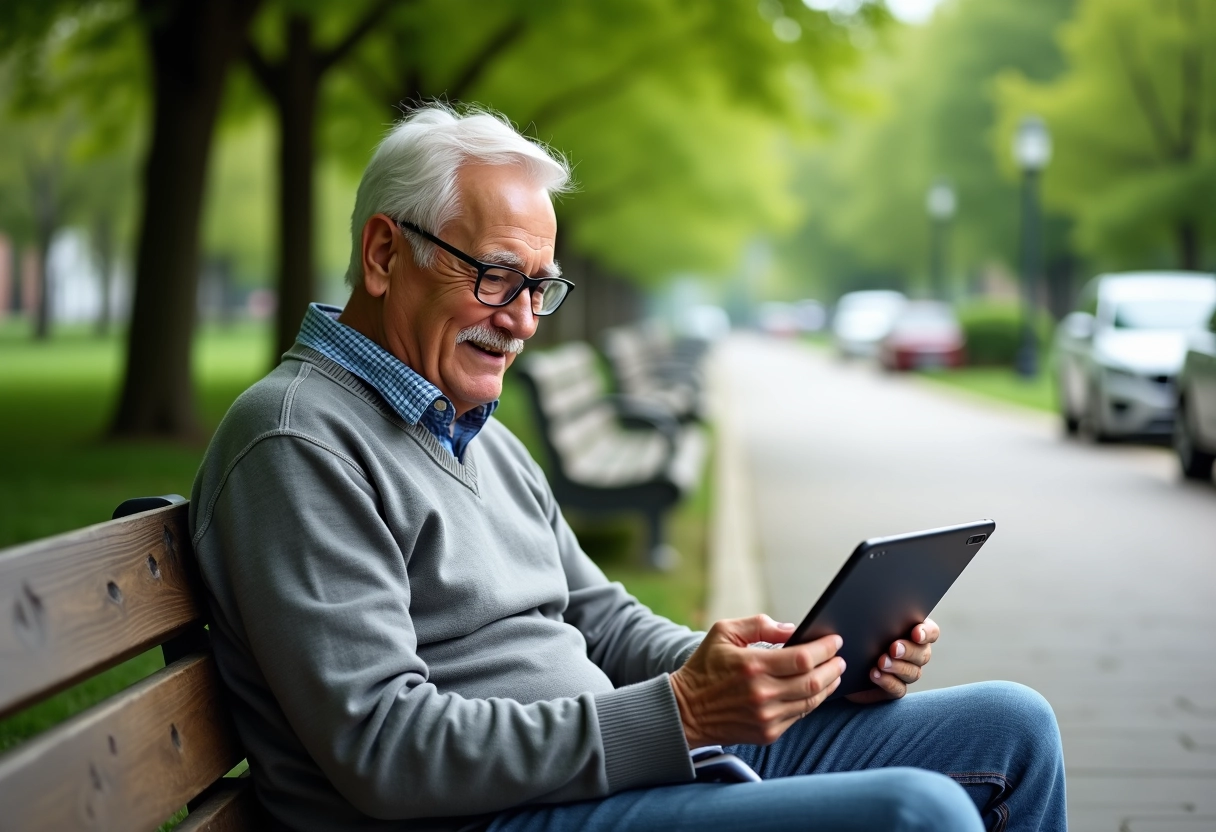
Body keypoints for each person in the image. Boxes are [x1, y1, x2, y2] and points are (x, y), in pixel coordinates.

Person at [190, 104, 1066, 832]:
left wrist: (776, 671)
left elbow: (602, 623)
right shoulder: (295, 443)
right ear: (385, 255)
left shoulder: (476, 432)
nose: (525, 320)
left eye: (542, 286)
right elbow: (386, 748)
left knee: (1013, 730)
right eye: (498, 278)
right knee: (918, 813)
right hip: (482, 817)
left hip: (602, 770)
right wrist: (682, 714)